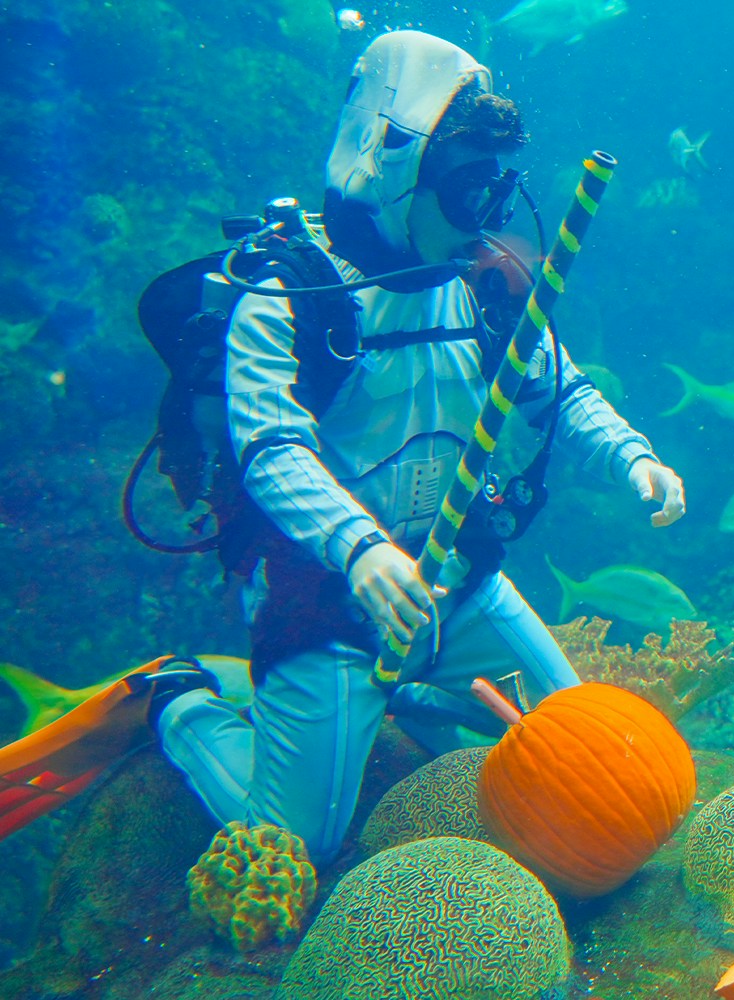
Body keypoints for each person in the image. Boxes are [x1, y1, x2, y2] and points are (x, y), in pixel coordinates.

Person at [97, 30, 682, 863]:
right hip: (329, 601)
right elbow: (269, 446)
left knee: (576, 743)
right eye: (470, 183)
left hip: (456, 582)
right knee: (299, 839)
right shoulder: (290, 296)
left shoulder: (483, 283)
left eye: (499, 185)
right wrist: (360, 550)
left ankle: (410, 695)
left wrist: (634, 458)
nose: (490, 214)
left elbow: (561, 386)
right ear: (397, 165)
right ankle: (182, 700)